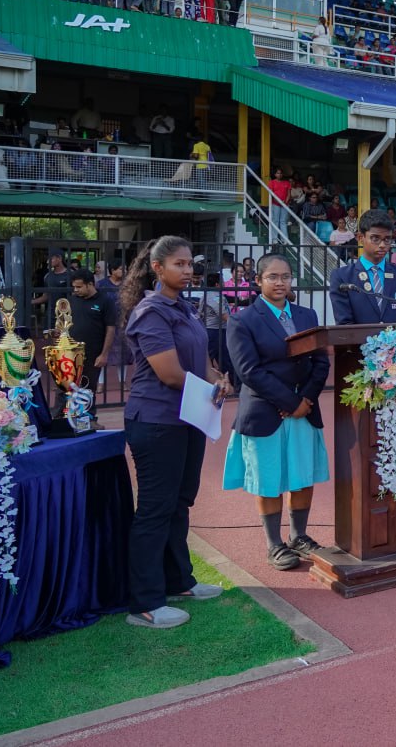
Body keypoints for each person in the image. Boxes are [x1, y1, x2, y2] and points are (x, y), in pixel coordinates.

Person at [120, 236, 233, 629]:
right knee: (155, 509)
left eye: (190, 264)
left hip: (189, 419)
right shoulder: (151, 312)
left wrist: (218, 380)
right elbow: (169, 374)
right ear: (157, 268)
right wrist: (206, 383)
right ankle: (146, 603)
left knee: (180, 502)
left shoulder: (185, 308)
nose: (188, 270)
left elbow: (199, 364)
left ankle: (179, 581)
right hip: (156, 422)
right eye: (179, 264)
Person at [223, 254, 330, 571]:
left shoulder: (307, 315)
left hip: (304, 411)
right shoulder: (243, 320)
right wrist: (288, 402)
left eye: (285, 276)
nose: (280, 282)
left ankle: (299, 536)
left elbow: (321, 362)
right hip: (266, 411)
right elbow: (249, 371)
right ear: (258, 281)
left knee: (302, 474)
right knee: (269, 478)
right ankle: (275, 544)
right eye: (272, 276)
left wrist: (305, 399)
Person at [329, 209, 396, 324]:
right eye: (375, 238)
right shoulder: (342, 277)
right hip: (358, 342)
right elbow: (344, 325)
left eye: (387, 239)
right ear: (360, 238)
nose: (382, 245)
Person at [67, 269, 115, 420]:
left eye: (79, 287)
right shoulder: (72, 299)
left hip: (93, 352)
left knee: (89, 388)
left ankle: (89, 419)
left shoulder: (105, 301)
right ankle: (66, 418)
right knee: (67, 386)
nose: (76, 290)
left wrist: (104, 354)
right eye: (74, 287)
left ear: (90, 284)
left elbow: (111, 328)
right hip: (71, 352)